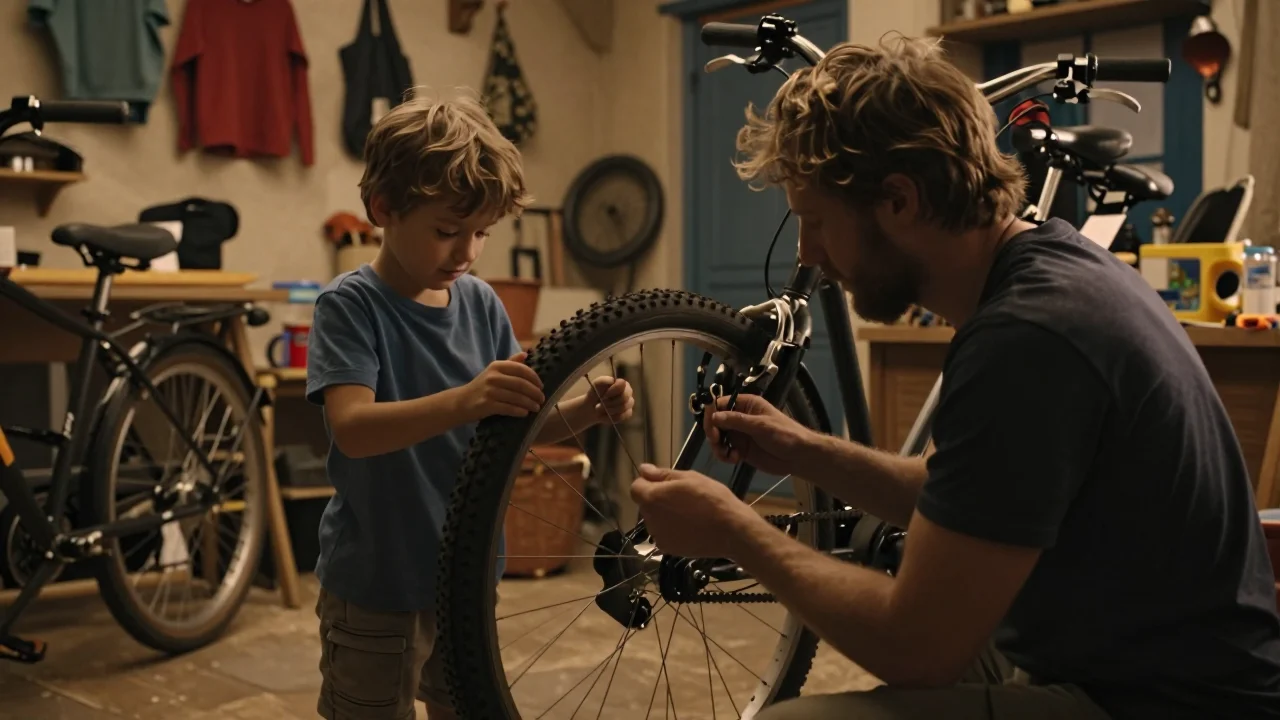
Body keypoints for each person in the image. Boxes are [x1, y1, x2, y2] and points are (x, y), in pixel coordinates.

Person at [630, 35, 1280, 719]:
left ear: (900, 202)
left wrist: (734, 530)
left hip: (1167, 703)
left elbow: (916, 646)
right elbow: (959, 489)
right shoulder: (1050, 270)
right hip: (1116, 658)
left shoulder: (1030, 337)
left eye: (816, 221)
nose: (809, 256)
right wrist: (801, 449)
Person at [305, 92, 634, 720]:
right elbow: (352, 431)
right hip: (377, 585)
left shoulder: (482, 305)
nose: (466, 253)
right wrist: (464, 400)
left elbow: (509, 425)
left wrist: (583, 412)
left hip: (466, 577)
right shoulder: (351, 307)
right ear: (383, 209)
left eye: (481, 233)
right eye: (447, 231)